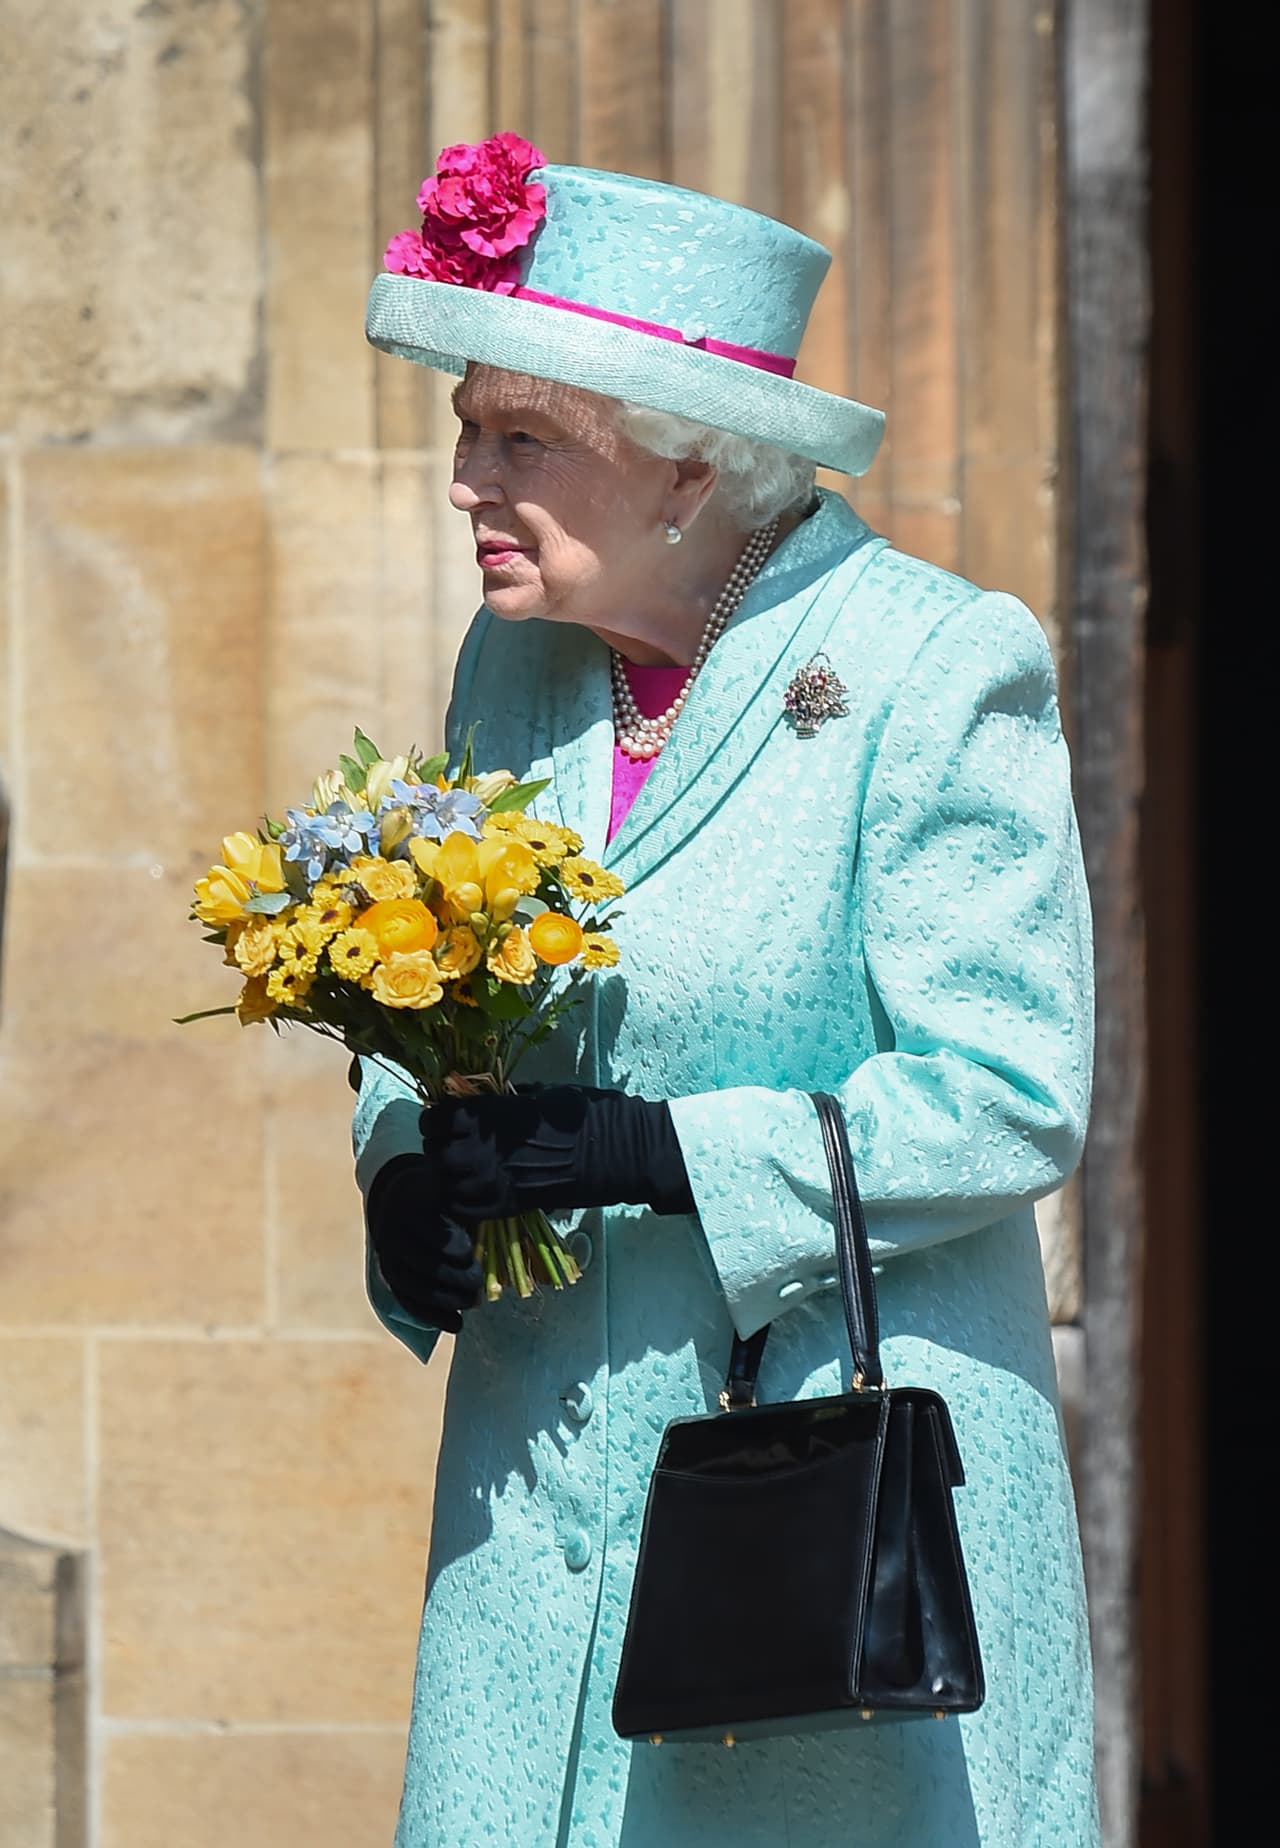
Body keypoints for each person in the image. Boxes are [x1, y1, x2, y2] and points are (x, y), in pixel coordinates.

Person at [354, 133, 1099, 1848]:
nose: (466, 481)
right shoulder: (521, 662)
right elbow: (433, 978)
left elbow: (1011, 1086)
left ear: (691, 469)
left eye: (518, 436)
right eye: (468, 427)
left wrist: (665, 1153)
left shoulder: (932, 666)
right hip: (533, 1508)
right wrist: (405, 1168)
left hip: (810, 1520)